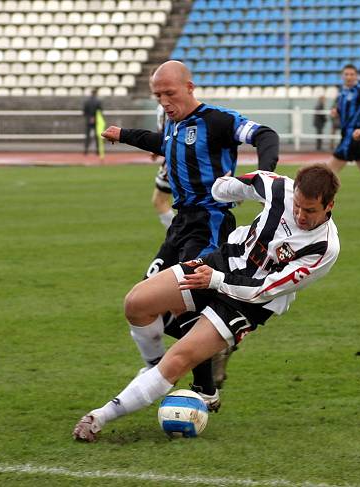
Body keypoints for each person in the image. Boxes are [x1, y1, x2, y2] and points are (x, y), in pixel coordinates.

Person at [73, 163, 341, 442]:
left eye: (310, 210)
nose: (300, 215)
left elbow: (265, 289)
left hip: (248, 303)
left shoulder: (324, 248)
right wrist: (226, 189)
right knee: (136, 303)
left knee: (177, 360)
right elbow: (223, 188)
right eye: (297, 206)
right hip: (221, 262)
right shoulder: (277, 187)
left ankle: (98, 417)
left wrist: (216, 281)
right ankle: (153, 366)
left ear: (329, 205)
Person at [101, 60, 279, 407]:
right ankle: (183, 357)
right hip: (181, 224)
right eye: (158, 96)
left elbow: (265, 135)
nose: (164, 101)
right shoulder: (174, 123)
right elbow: (164, 143)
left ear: (190, 87)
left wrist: (264, 174)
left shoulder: (218, 120)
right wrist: (125, 135)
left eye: (169, 93)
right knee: (145, 304)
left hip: (211, 220)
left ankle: (206, 390)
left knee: (185, 300)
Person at [151, 102, 175, 230]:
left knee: (159, 200)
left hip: (175, 159)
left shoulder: (167, 106)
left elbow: (168, 133)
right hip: (176, 156)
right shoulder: (164, 106)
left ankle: (177, 237)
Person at [83, 88, 102, 156]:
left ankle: (86, 150)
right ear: (96, 93)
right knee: (97, 136)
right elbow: (100, 111)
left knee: (87, 136)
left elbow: (84, 112)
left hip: (88, 120)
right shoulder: (98, 101)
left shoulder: (87, 101)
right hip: (96, 121)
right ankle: (98, 151)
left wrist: (89, 117)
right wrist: (94, 117)